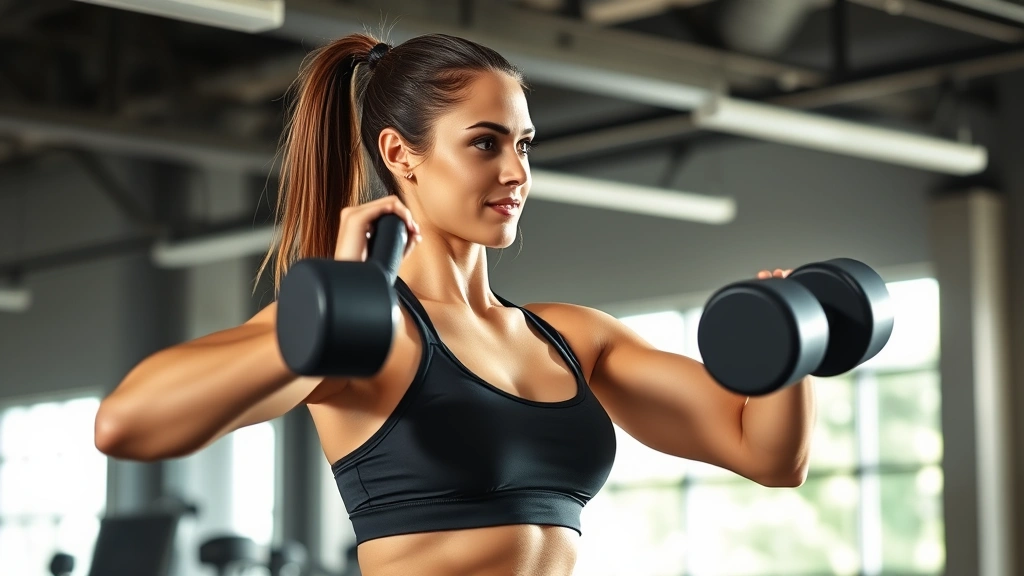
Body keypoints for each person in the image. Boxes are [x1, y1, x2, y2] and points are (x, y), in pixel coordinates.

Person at [94, 32, 815, 576]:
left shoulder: (572, 337)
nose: (516, 172)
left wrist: (793, 335)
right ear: (400, 154)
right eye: (484, 144)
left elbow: (765, 454)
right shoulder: (369, 329)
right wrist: (316, 333)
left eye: (524, 145)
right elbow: (125, 424)